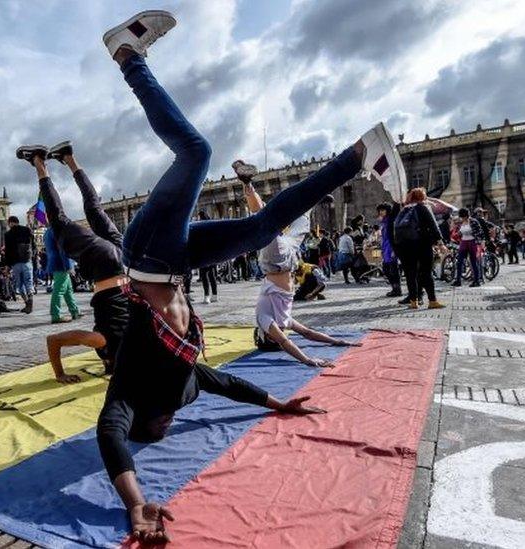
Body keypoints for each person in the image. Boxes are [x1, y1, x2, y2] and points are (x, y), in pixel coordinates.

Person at [94, 12, 404, 542]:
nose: (164, 431)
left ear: (145, 421)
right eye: (163, 432)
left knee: (196, 152)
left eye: (156, 432)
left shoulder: (132, 392)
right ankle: (360, 154)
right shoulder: (185, 389)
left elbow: (109, 435)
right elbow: (225, 382)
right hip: (177, 262)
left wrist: (137, 502)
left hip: (146, 252)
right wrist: (275, 402)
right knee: (265, 225)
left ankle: (126, 55)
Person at [18, 140, 131, 379]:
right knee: (58, 221)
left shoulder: (138, 342)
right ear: (108, 361)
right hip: (105, 264)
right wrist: (60, 374)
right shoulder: (103, 341)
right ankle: (39, 162)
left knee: (94, 208)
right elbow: (54, 341)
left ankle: (68, 157)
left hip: (125, 259)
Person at [234, 159, 351, 358]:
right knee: (303, 222)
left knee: (264, 220)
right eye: (272, 338)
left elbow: (284, 341)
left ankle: (246, 183)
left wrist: (307, 360)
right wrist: (337, 341)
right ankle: (315, 195)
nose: (274, 335)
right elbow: (308, 333)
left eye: (269, 337)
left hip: (274, 262)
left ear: (263, 335)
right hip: (289, 259)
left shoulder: (263, 319)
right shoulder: (285, 320)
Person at [393, 188, 445, 308]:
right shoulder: (423, 207)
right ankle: (432, 301)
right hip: (422, 243)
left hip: (405, 246)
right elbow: (433, 225)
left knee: (410, 274)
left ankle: (413, 302)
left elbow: (395, 229)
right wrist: (440, 242)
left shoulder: (404, 210)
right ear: (422, 197)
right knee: (426, 272)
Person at [44, 226, 81, 323]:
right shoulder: (58, 230)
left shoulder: (48, 231)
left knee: (68, 289)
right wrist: (69, 265)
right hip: (61, 264)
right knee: (59, 290)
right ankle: (56, 315)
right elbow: (63, 249)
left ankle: (75, 311)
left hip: (56, 262)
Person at [4, 215, 35, 313]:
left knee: (20, 284)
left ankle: (27, 303)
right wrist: (32, 257)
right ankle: (30, 300)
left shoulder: (8, 234)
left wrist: (7, 266)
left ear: (10, 223)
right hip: (27, 261)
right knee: (29, 283)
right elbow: (33, 245)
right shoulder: (27, 230)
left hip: (15, 263)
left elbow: (7, 252)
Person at [452, 208, 484, 287]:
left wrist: (479, 243)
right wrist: (457, 234)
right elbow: (461, 231)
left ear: (467, 215)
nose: (462, 218)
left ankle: (476, 281)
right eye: (461, 217)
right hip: (463, 242)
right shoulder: (461, 223)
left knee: (473, 262)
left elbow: (480, 232)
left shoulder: (473, 221)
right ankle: (458, 280)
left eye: (463, 217)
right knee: (459, 262)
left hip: (472, 242)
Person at [376, 202, 402, 297]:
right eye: (380, 211)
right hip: (386, 248)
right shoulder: (384, 222)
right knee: (386, 269)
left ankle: (397, 289)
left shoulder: (391, 220)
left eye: (383, 210)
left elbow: (396, 208)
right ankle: (395, 288)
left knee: (393, 269)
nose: (381, 212)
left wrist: (394, 249)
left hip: (391, 248)